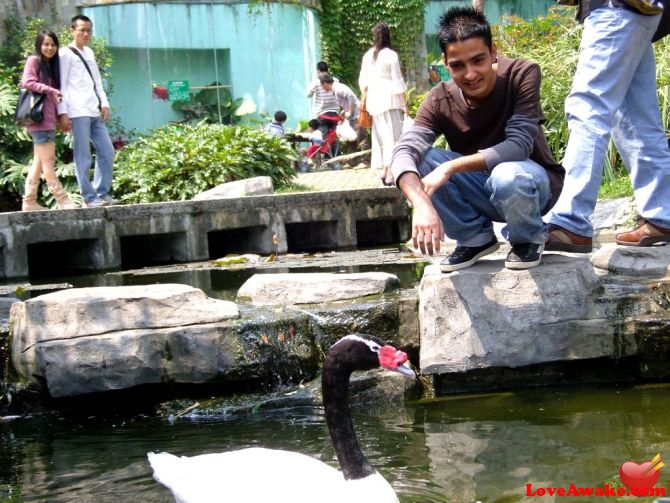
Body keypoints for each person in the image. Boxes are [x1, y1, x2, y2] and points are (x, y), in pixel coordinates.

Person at [390, 6, 564, 271]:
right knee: (423, 159)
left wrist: (449, 167)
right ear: (446, 64)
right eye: (458, 66)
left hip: (530, 184)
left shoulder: (522, 74)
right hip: (482, 186)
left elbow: (518, 147)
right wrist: (420, 203)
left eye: (478, 60)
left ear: (493, 53)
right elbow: (404, 150)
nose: (470, 74)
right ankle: (474, 239)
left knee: (506, 174)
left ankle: (528, 238)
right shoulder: (439, 98)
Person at [546, 0, 670, 252]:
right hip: (638, 9)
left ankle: (570, 220)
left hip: (616, 7)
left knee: (588, 107)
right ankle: (662, 214)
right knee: (633, 117)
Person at [58, 14, 118, 208]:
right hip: (77, 111)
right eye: (81, 30)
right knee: (82, 155)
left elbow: (97, 81)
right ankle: (89, 197)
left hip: (94, 110)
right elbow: (61, 86)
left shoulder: (90, 52)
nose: (85, 34)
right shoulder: (65, 53)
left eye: (88, 30)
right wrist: (63, 113)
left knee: (107, 151)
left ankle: (102, 192)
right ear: (72, 31)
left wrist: (104, 103)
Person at [20, 30, 78, 211]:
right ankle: (62, 199)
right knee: (48, 161)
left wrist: (60, 117)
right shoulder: (34, 61)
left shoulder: (50, 66)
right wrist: (50, 90)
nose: (50, 48)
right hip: (39, 120)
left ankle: (29, 201)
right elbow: (27, 82)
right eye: (46, 44)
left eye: (53, 44)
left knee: (39, 161)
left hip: (47, 120)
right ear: (39, 45)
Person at [358, 21, 408, 186]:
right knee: (393, 138)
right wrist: (405, 106)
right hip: (390, 101)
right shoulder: (390, 55)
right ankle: (391, 174)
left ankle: (385, 171)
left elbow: (363, 82)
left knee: (382, 138)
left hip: (374, 103)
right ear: (388, 36)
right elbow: (398, 83)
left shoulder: (368, 55)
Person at [318, 74, 370, 160]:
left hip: (356, 115)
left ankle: (366, 160)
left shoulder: (338, 88)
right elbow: (347, 100)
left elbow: (351, 97)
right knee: (351, 139)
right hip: (351, 116)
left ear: (325, 83)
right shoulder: (336, 89)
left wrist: (349, 110)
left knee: (361, 138)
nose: (323, 88)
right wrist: (344, 111)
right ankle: (352, 161)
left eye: (322, 86)